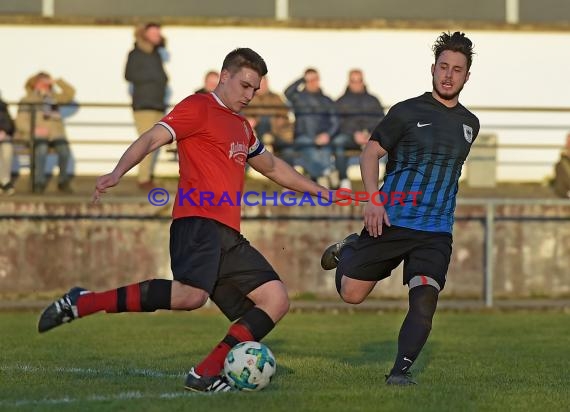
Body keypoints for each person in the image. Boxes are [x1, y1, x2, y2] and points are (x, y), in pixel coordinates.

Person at [38, 48, 337, 392]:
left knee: (275, 300)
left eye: (254, 89)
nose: (249, 95)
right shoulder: (197, 107)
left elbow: (270, 166)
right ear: (224, 76)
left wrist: (318, 190)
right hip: (197, 222)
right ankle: (84, 302)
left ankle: (204, 373)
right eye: (244, 86)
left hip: (228, 232)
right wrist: (118, 171)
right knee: (191, 296)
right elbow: (152, 136)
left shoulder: (242, 126)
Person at [320, 32, 479, 385]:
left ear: (467, 76)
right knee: (352, 294)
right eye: (443, 67)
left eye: (457, 69)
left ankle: (399, 373)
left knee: (424, 300)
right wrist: (374, 199)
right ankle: (350, 247)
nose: (449, 75)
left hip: (436, 230)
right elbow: (370, 152)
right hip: (392, 218)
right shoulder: (406, 111)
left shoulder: (471, 124)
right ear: (433, 69)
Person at [125, 22, 168, 190]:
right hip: (144, 106)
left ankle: (146, 176)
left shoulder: (156, 54)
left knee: (153, 143)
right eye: (154, 32)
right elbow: (129, 75)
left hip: (157, 105)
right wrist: (153, 77)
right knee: (146, 143)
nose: (158, 35)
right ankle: (143, 179)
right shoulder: (136, 54)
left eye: (158, 32)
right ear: (145, 34)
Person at [15, 72, 75, 194]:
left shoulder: (54, 97)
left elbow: (70, 93)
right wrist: (33, 130)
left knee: (64, 151)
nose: (44, 85)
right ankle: (38, 182)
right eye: (42, 82)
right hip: (37, 134)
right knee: (41, 150)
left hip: (56, 134)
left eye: (46, 82)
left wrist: (57, 81)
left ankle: (63, 181)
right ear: (35, 83)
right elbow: (20, 121)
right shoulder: (28, 99)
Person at [284, 68, 340, 185]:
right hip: (303, 137)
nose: (313, 82)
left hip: (323, 138)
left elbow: (335, 121)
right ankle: (326, 172)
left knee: (324, 151)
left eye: (315, 79)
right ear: (305, 80)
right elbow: (287, 92)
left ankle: (321, 178)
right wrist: (302, 79)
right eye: (309, 79)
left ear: (319, 80)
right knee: (310, 148)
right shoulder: (298, 98)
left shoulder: (327, 100)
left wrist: (327, 135)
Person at [335, 69, 385, 189]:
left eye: (359, 80)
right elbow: (337, 123)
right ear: (349, 82)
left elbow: (381, 120)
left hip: (372, 137)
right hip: (350, 138)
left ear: (363, 81)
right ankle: (344, 180)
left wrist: (372, 134)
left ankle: (384, 181)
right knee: (338, 142)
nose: (356, 83)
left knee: (390, 144)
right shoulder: (341, 101)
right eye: (353, 81)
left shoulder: (373, 100)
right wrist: (354, 134)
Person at [242, 76, 294, 164]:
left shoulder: (276, 97)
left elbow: (284, 115)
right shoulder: (247, 98)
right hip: (255, 134)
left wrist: (276, 121)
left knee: (289, 151)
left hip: (277, 133)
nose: (261, 86)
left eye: (264, 84)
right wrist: (249, 120)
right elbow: (241, 115)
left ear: (268, 84)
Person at [0, 93, 16, 195]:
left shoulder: (3, 107)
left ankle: (5, 181)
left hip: (3, 136)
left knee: (7, 150)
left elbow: (10, 124)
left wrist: (4, 131)